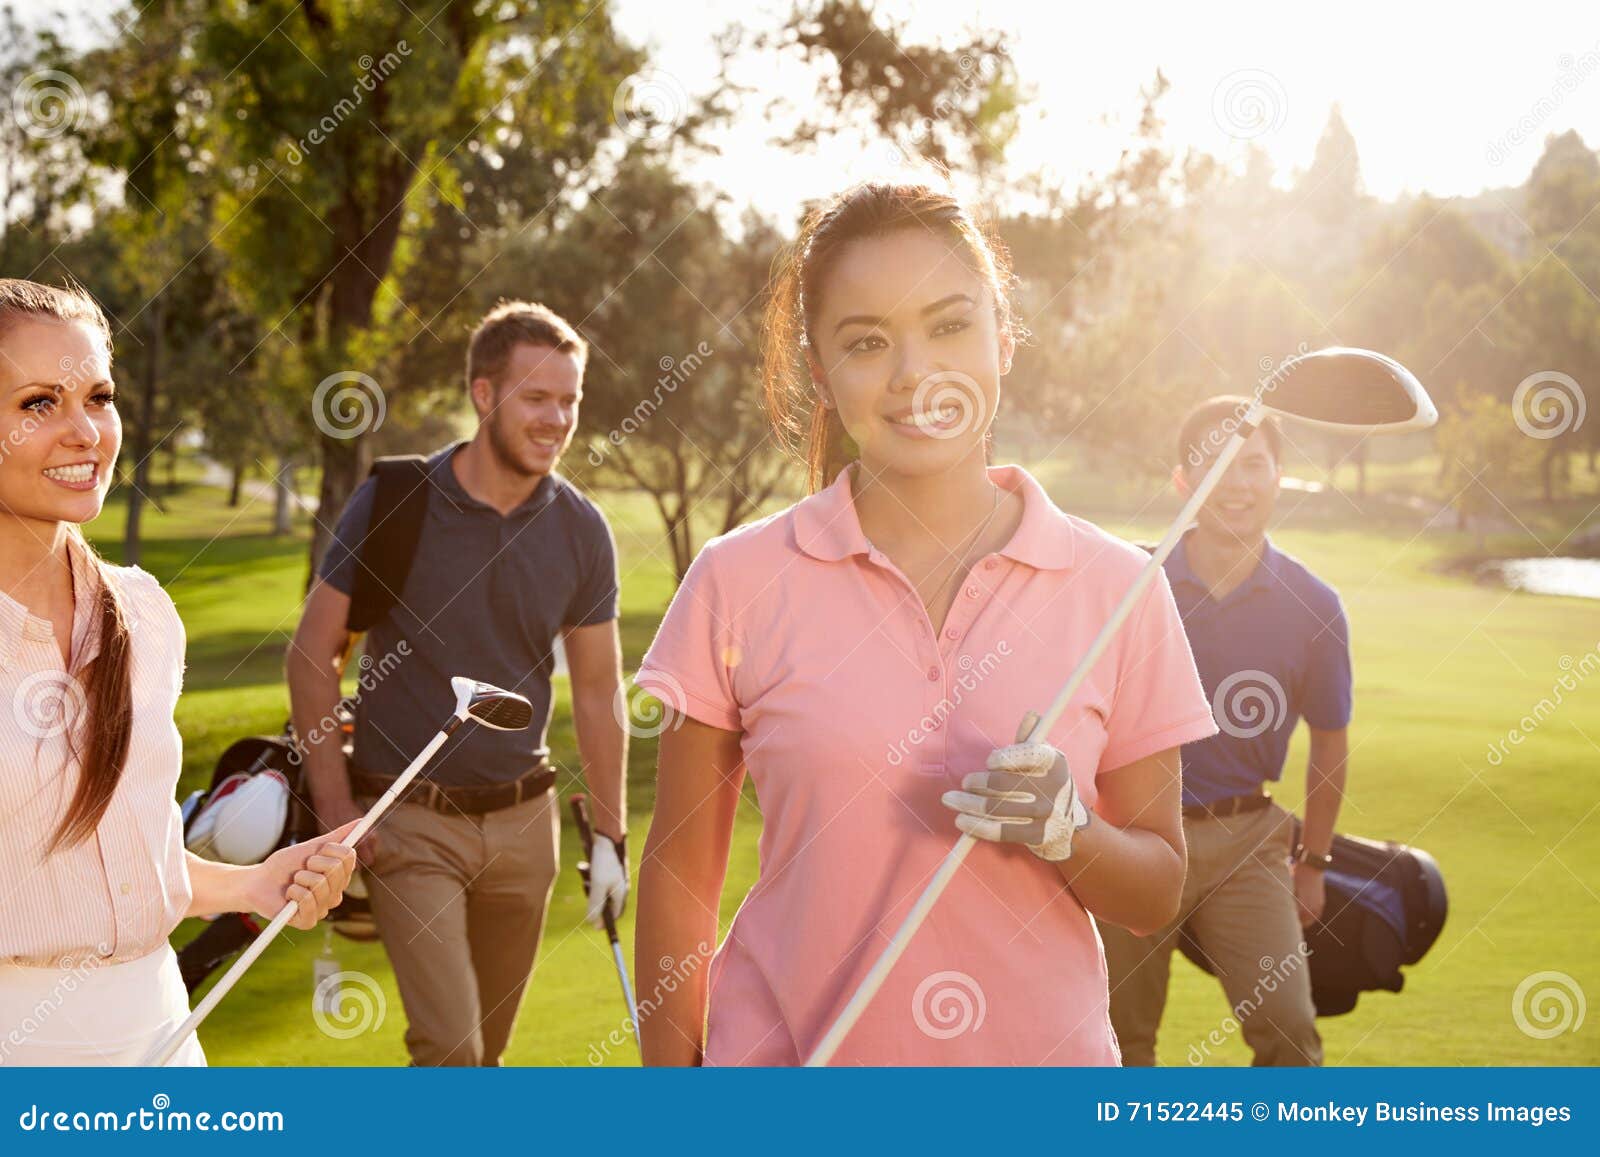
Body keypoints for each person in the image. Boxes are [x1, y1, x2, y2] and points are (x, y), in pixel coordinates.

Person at [631, 181, 1220, 1066]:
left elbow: (1155, 890)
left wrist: (1069, 828)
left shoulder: (1119, 589)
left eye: (949, 326)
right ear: (821, 373)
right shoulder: (735, 580)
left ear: (1003, 337)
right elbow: (680, 882)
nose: (914, 376)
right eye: (868, 342)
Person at [0, 278, 356, 1067]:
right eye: (38, 403)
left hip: (163, 1037)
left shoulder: (145, 614)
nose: (83, 430)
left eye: (98, 396)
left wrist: (254, 884)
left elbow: (131, 853)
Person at [288, 300, 627, 1067]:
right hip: (410, 821)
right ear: (483, 395)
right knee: (450, 1050)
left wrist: (611, 837)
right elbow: (314, 654)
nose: (557, 419)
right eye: (537, 397)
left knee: (487, 1060)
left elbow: (602, 692)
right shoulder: (397, 501)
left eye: (570, 400)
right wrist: (338, 808)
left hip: (524, 827)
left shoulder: (581, 529)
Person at [1099, 396, 1353, 1067]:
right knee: (1119, 1042)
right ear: (1184, 479)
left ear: (1277, 476)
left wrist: (1315, 863)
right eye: (1214, 466)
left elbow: (1330, 742)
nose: (1235, 484)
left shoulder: (1316, 606)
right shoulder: (1131, 582)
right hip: (1132, 835)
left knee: (1290, 1032)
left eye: (1252, 465)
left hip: (1248, 843)